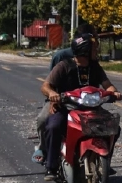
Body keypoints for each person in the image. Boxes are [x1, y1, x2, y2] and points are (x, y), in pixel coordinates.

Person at [40, 34, 122, 180]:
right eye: (94, 49)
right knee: (53, 126)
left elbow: (107, 85)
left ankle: (105, 162)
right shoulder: (64, 66)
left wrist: (114, 92)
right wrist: (53, 94)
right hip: (66, 107)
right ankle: (51, 166)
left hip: (92, 108)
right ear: (85, 51)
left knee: (113, 128)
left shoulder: (95, 67)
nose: (96, 51)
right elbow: (45, 86)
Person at [35, 25, 97, 163]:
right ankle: (44, 150)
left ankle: (97, 157)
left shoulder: (93, 60)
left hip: (85, 102)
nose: (96, 44)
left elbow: (102, 82)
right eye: (94, 39)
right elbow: (51, 83)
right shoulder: (61, 57)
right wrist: (53, 99)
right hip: (61, 99)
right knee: (43, 120)